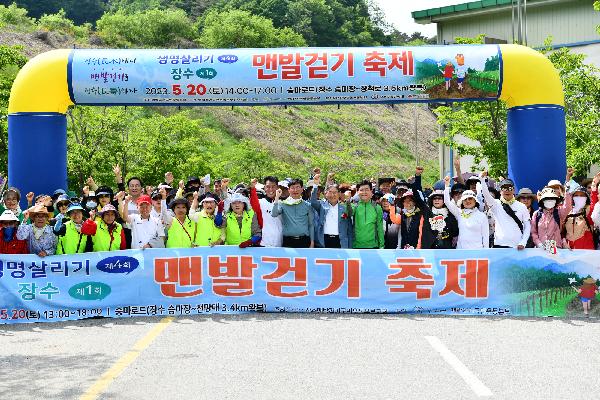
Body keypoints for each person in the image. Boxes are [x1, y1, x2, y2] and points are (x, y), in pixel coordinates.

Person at [480, 175, 531, 250]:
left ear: (514, 190)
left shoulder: (522, 206)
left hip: (517, 246)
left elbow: (527, 226)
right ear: (500, 191)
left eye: (510, 188)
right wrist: (482, 180)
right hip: (499, 245)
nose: (507, 190)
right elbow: (486, 195)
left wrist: (523, 242)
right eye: (504, 188)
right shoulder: (496, 204)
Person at [443, 176, 489, 249]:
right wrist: (446, 186)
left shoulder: (482, 216)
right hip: (461, 252)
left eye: (470, 198)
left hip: (477, 253)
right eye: (465, 199)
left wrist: (485, 252)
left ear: (475, 201)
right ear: (462, 202)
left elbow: (485, 237)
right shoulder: (459, 213)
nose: (468, 201)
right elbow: (447, 202)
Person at [309, 173, 353, 248]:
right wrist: (315, 185)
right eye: (330, 192)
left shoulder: (344, 208)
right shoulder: (322, 206)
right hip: (324, 240)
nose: (332, 195)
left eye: (335, 192)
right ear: (326, 194)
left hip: (340, 241)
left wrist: (348, 200)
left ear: (339, 194)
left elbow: (349, 223)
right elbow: (313, 202)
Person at [272, 179, 313, 248]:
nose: (295, 190)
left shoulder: (307, 205)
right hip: (288, 240)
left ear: (302, 189)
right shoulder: (283, 204)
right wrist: (276, 198)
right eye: (292, 188)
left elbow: (311, 225)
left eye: (297, 187)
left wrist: (312, 242)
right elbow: (274, 214)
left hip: (304, 240)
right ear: (289, 190)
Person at [249, 176, 283, 247]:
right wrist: (252, 188)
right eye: (268, 187)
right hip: (263, 243)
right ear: (264, 188)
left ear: (277, 188)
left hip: (279, 243)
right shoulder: (260, 202)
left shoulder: (282, 204)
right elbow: (253, 202)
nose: (270, 189)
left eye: (273, 186)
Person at [351, 180, 384, 249]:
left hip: (373, 246)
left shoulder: (377, 208)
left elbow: (380, 228)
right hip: (356, 246)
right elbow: (348, 213)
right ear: (357, 192)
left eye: (367, 190)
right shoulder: (354, 206)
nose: (364, 192)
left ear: (371, 191)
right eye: (361, 190)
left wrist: (381, 246)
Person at [562, 186, 597, 250]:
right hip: (569, 249)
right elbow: (563, 230)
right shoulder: (569, 212)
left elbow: (594, 202)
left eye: (582, 195)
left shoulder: (589, 210)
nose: (579, 197)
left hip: (586, 249)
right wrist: (564, 241)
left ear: (586, 197)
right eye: (576, 195)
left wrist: (594, 188)